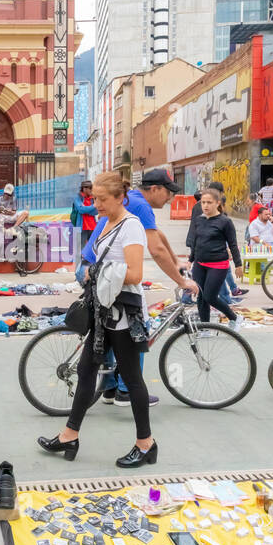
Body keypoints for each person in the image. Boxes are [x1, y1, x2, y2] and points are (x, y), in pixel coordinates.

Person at [38, 171, 157, 470]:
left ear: (120, 197)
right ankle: (69, 435)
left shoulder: (131, 228)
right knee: (85, 367)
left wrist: (98, 270)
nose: (97, 205)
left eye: (103, 200)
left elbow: (135, 274)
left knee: (131, 377)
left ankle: (146, 444)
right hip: (104, 310)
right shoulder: (106, 224)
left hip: (124, 314)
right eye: (95, 199)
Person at [84, 168, 198, 405]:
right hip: (102, 271)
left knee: (109, 327)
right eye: (168, 193)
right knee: (138, 327)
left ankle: (110, 386)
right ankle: (126, 390)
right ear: (154, 189)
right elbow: (155, 250)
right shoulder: (139, 205)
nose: (170, 199)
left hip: (91, 266)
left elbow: (157, 235)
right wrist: (181, 281)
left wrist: (176, 261)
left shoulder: (134, 201)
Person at [189, 187, 245, 331]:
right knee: (201, 297)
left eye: (209, 202)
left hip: (218, 264)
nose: (205, 206)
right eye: (203, 203)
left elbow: (233, 244)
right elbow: (196, 242)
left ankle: (234, 317)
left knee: (210, 296)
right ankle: (205, 328)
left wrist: (238, 265)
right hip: (200, 264)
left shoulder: (225, 222)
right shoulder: (198, 220)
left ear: (217, 203)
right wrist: (190, 260)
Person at [72, 180, 97, 256]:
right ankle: (80, 267)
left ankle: (91, 266)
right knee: (80, 251)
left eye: (91, 188)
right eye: (90, 188)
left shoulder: (93, 198)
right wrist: (93, 206)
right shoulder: (77, 198)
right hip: (81, 227)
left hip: (92, 226)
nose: (91, 190)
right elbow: (81, 210)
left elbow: (96, 212)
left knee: (93, 249)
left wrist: (86, 209)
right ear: (84, 189)